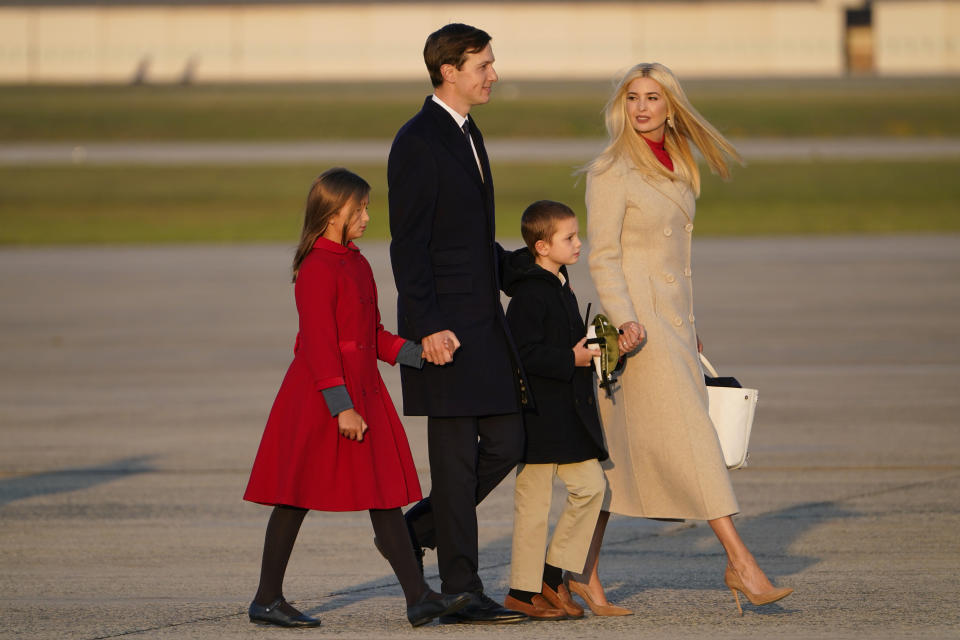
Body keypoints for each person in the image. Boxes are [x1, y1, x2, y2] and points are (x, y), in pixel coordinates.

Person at [570, 62, 794, 616]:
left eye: (653, 97)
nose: (642, 107)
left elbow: (675, 260)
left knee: (621, 458)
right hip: (637, 330)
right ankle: (741, 563)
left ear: (671, 105)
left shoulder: (677, 162)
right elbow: (603, 255)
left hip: (672, 324)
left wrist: (689, 328)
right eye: (632, 98)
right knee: (695, 440)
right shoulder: (611, 168)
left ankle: (583, 571)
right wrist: (625, 321)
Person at [243, 168, 471, 628]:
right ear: (332, 213)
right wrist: (340, 405)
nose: (367, 216)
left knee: (384, 495)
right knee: (293, 496)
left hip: (362, 391)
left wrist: (419, 354)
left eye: (368, 206)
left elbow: (372, 336)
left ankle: (418, 597)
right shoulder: (316, 267)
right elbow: (318, 343)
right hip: (322, 397)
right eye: (359, 208)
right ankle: (267, 599)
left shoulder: (356, 261)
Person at [387, 23, 528, 625]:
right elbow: (409, 245)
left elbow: (469, 239)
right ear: (449, 70)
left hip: (480, 321)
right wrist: (427, 328)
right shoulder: (419, 140)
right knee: (454, 461)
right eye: (483, 65)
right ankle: (462, 589)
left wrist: (532, 271)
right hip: (444, 328)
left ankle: (418, 526)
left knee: (507, 441)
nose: (492, 74)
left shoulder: (467, 133)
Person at [500, 200, 610, 620]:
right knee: (533, 505)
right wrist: (571, 360)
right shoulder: (530, 293)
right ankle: (522, 592)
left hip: (566, 417)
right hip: (537, 418)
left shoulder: (560, 281)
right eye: (570, 238)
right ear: (542, 246)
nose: (579, 243)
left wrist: (595, 347)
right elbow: (523, 354)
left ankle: (549, 573)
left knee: (591, 488)